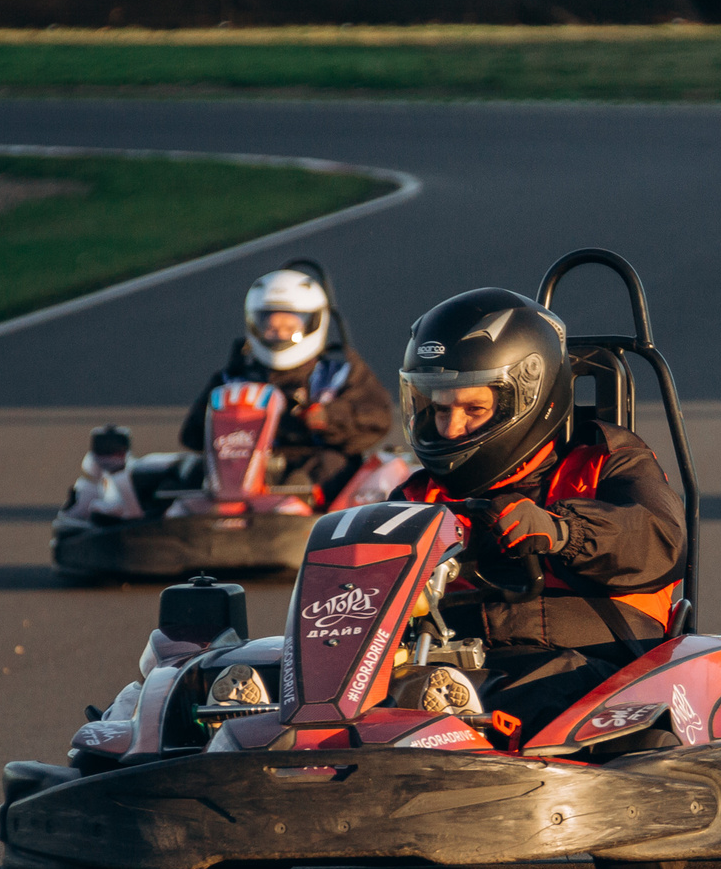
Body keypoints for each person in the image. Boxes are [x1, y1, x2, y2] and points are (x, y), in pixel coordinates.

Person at [385, 288, 686, 740]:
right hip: (453, 666)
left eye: (473, 409)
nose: (450, 429)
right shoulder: (419, 493)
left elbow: (660, 541)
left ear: (526, 398)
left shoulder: (608, 460)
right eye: (438, 408)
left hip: (591, 669)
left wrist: (563, 531)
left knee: (545, 691)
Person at [179, 261, 395, 504]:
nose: (280, 334)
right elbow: (191, 436)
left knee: (330, 467)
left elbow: (377, 419)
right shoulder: (233, 378)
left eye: (289, 327)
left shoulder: (339, 373)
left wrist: (327, 417)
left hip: (312, 463)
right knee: (188, 473)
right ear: (254, 325)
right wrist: (228, 419)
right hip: (239, 467)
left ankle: (303, 516)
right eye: (271, 327)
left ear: (313, 323)